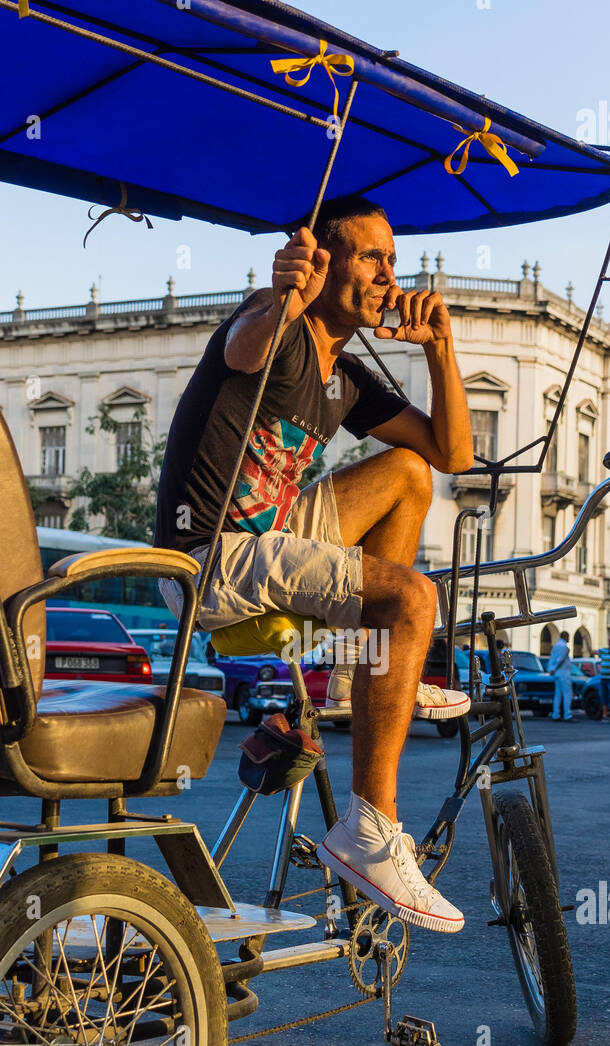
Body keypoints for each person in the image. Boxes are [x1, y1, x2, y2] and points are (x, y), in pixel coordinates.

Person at [154, 195, 473, 933]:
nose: (389, 276)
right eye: (372, 257)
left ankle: (365, 662)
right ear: (321, 260)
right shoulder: (279, 323)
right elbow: (245, 347)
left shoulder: (348, 376)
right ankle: (368, 831)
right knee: (413, 599)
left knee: (407, 474)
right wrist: (282, 295)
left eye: (392, 260)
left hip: (269, 539)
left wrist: (438, 346)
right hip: (208, 558)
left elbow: (453, 454)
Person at [548, 630, 572, 721]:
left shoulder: (556, 646)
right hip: (564, 673)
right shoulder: (564, 647)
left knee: (558, 695)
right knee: (567, 694)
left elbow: (552, 658)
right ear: (565, 637)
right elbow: (560, 659)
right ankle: (567, 715)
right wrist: (554, 668)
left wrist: (551, 669)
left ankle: (556, 714)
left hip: (557, 674)